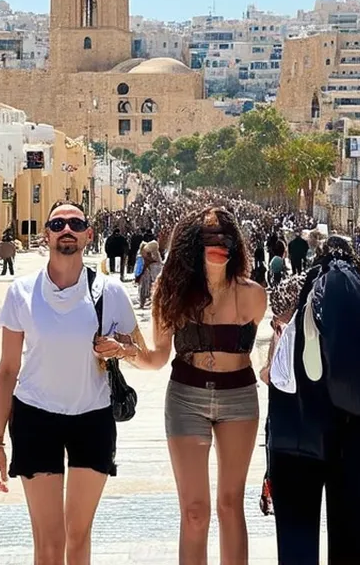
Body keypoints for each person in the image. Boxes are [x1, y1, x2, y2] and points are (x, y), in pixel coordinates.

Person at [0, 201, 141, 565]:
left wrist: (121, 349)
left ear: (89, 235)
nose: (67, 230)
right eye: (58, 224)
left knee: (79, 534)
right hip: (35, 417)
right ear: (47, 235)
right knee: (49, 541)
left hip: (93, 418)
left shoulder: (110, 291)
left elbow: (142, 352)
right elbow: (7, 369)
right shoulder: (21, 292)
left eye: (75, 223)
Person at [129, 206, 267, 565]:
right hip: (186, 398)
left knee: (230, 504)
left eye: (225, 236)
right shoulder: (170, 292)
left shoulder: (253, 295)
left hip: (239, 398)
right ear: (192, 244)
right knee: (194, 511)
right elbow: (158, 357)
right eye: (209, 236)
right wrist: (127, 353)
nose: (218, 243)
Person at [264, 236, 360, 564]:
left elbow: (274, 371)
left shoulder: (295, 288)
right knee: (354, 544)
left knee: (297, 547)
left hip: (297, 432)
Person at [136, 235, 163, 310]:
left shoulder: (149, 256)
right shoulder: (155, 255)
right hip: (152, 274)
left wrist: (138, 275)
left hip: (149, 275)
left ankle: (144, 303)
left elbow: (144, 265)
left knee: (145, 289)